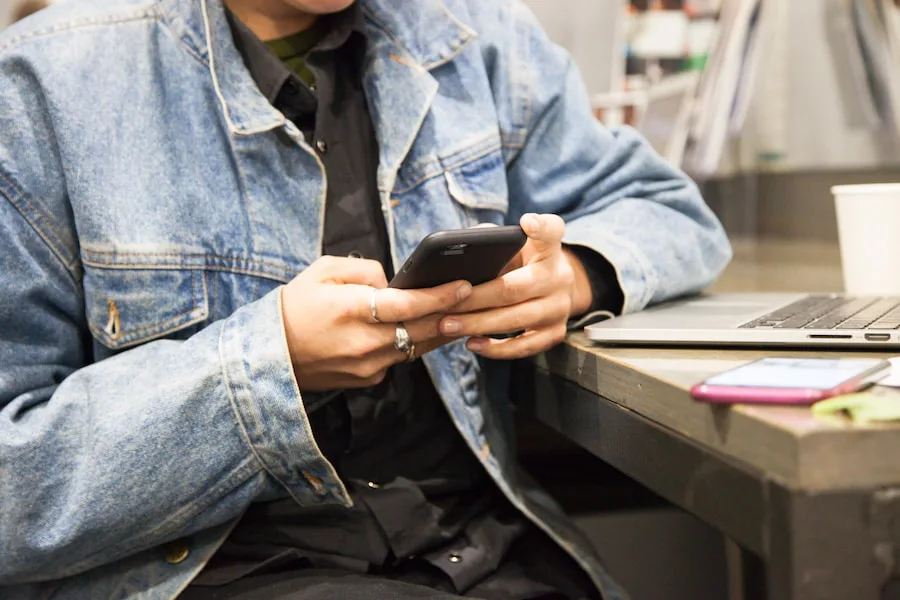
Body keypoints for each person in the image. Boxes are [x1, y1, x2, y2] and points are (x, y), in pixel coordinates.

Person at [0, 0, 732, 598]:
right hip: (217, 569)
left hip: (479, 548)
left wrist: (571, 273)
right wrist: (269, 363)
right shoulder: (43, 86)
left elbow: (669, 214)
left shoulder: (475, 38)